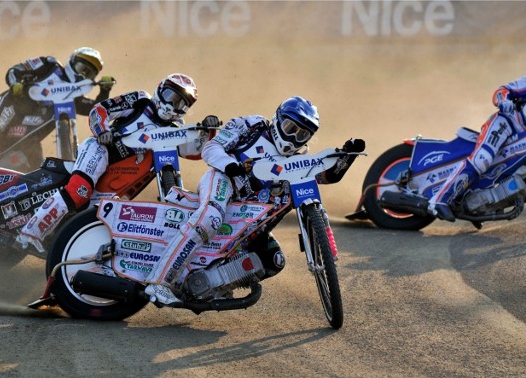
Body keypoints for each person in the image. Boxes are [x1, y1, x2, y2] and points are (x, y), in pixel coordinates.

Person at [144, 96, 366, 306]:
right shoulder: (252, 125)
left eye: (302, 135)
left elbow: (323, 177)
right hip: (225, 180)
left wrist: (347, 158)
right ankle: (159, 282)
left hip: (251, 219)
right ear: (278, 118)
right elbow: (211, 147)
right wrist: (231, 165)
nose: (293, 138)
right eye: (290, 128)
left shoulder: (300, 158)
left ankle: (212, 284)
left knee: (274, 260)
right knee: (209, 219)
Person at [16, 73, 220, 253]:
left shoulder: (175, 130)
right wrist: (102, 131)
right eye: (171, 97)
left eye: (181, 103)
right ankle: (29, 234)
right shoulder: (141, 101)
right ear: (160, 90)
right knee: (79, 191)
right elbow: (100, 109)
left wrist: (209, 131)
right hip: (102, 149)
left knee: (100, 216)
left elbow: (195, 151)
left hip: (120, 177)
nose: (173, 105)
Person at [0, 47, 116, 171]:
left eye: (89, 73)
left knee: (35, 164)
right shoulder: (50, 65)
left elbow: (95, 110)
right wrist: (15, 84)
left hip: (27, 132)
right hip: (12, 106)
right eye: (82, 68)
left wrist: (105, 90)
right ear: (72, 62)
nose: (83, 75)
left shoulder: (73, 97)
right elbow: (15, 70)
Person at [428, 76, 526, 221]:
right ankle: (439, 199)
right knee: (483, 159)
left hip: (521, 142)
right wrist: (504, 101)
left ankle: (479, 204)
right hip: (506, 124)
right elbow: (503, 90)